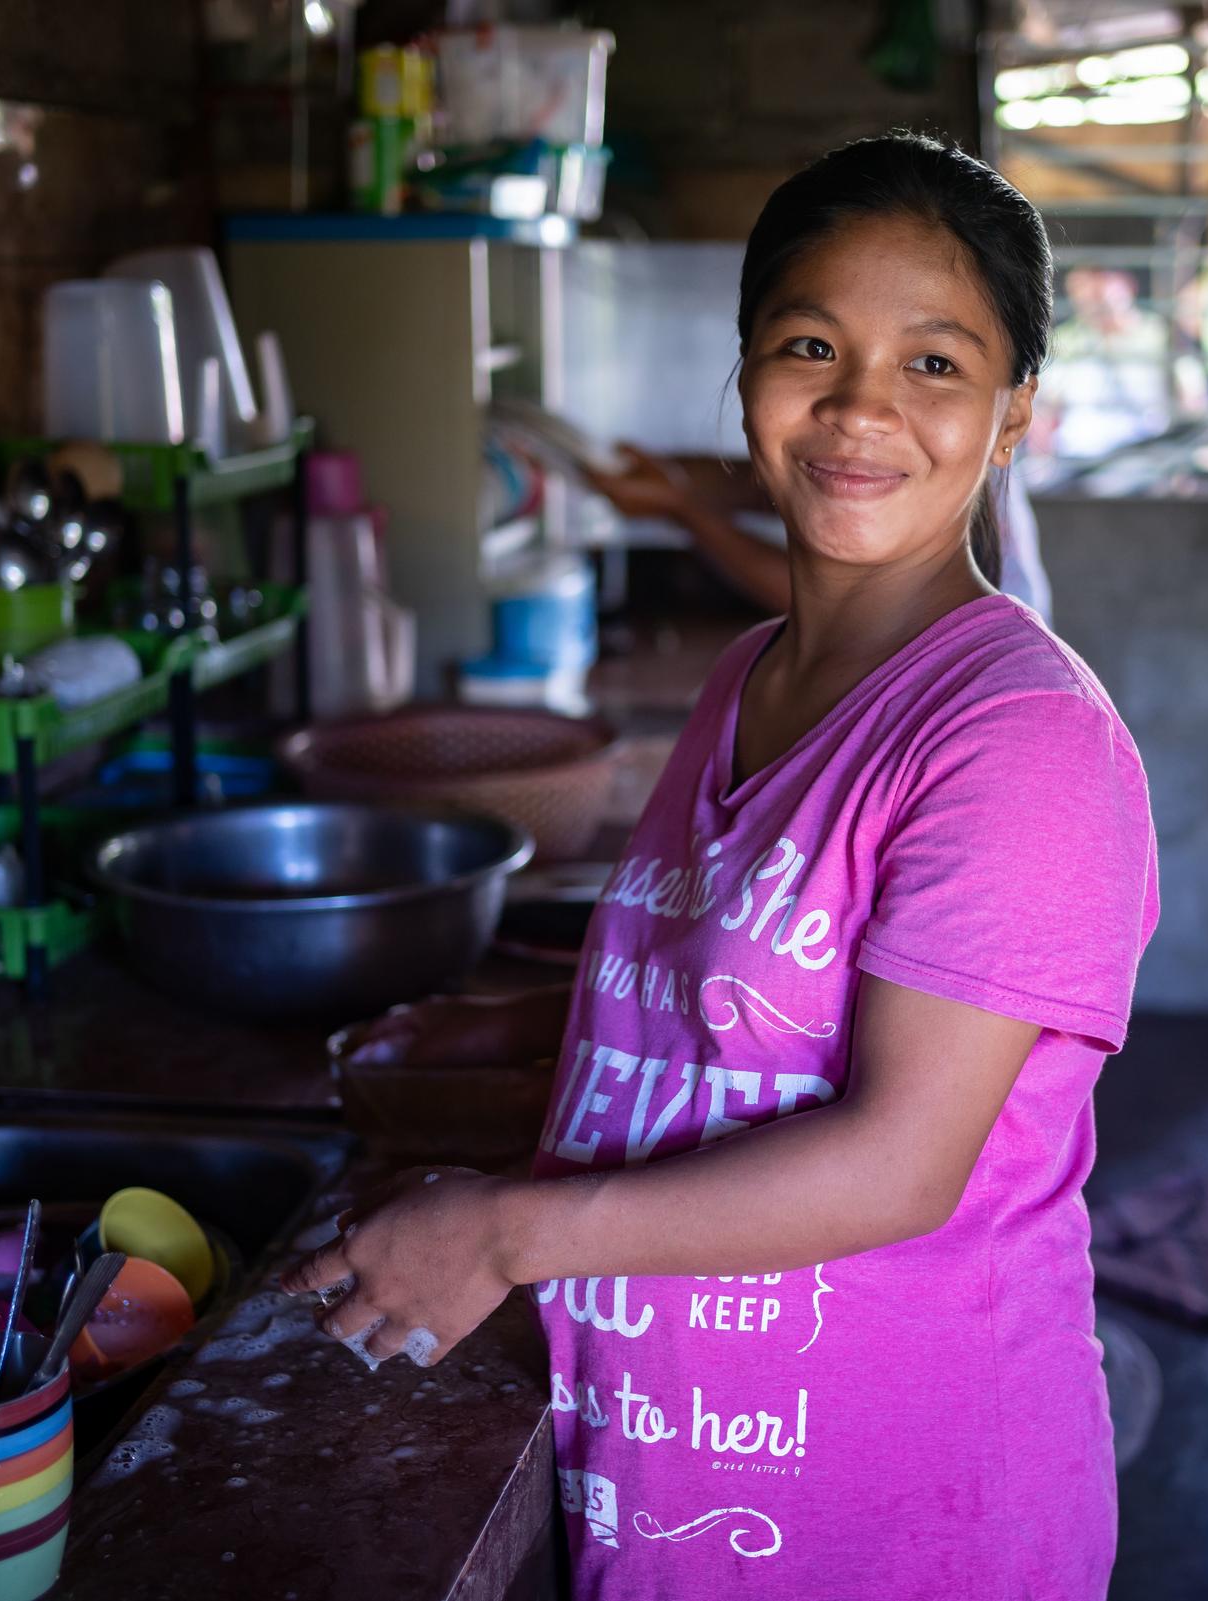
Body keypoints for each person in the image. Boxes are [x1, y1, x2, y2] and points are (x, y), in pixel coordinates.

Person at [286, 132, 1159, 1599]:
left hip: (904, 1516)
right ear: (746, 371)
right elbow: (715, 1008)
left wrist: (502, 1233)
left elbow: (899, 1161)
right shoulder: (747, 679)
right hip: (682, 1486)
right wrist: (501, 1039)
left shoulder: (1022, 741)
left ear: (1015, 416)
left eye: (935, 364)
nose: (861, 405)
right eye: (811, 343)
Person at [584, 436, 1057, 625]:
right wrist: (668, 478)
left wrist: (681, 508)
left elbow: (831, 595)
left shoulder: (954, 468)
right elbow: (771, 485)